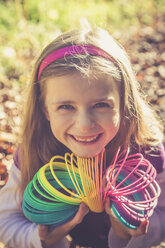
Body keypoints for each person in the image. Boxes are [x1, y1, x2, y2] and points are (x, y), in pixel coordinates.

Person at [0, 25, 164, 248]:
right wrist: (46, 237)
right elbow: (6, 221)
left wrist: (126, 234)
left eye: (100, 105)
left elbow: (162, 214)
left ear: (124, 102)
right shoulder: (34, 149)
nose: (85, 125)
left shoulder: (145, 149)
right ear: (45, 109)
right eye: (66, 106)